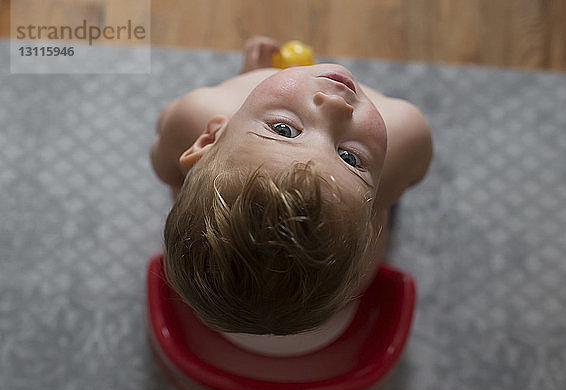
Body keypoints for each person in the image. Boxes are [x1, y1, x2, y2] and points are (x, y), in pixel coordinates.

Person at [150, 37, 432, 355]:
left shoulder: (194, 112)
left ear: (208, 139)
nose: (338, 106)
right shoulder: (406, 132)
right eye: (350, 158)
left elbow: (164, 165)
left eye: (284, 130)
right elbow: (413, 175)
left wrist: (243, 84)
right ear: (369, 229)